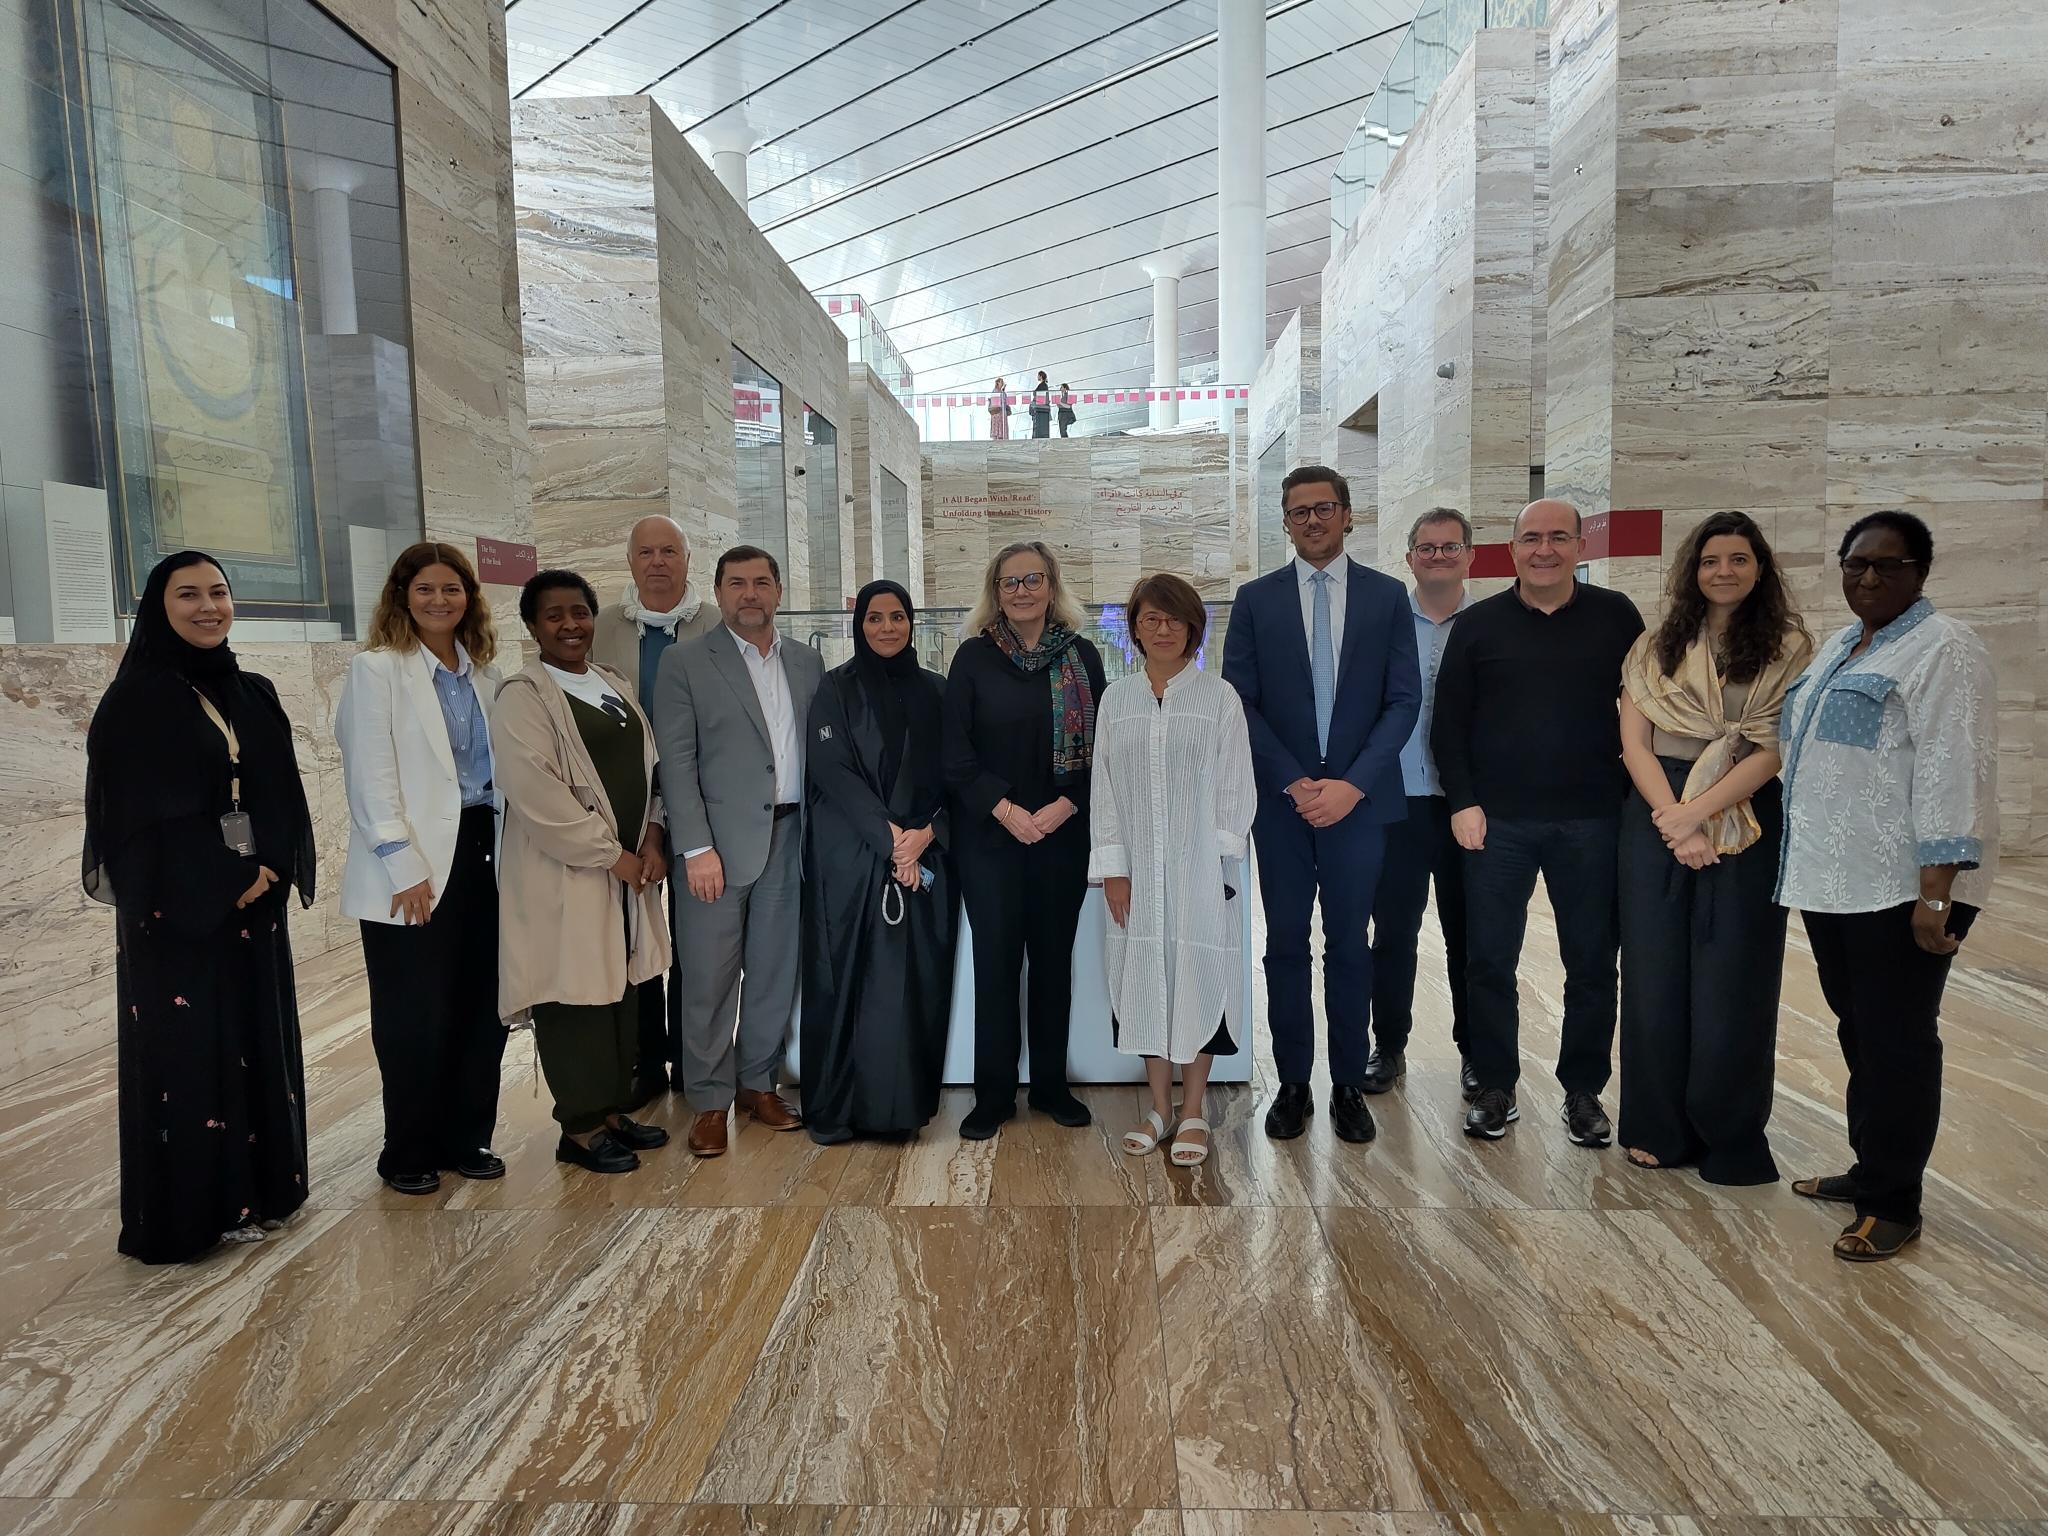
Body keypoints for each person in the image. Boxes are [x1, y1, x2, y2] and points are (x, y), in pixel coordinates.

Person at [82, 550, 316, 1262]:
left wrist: (269, 865)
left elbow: (282, 791)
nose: (208, 607)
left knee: (257, 1036)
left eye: (219, 592)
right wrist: (223, 876)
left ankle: (264, 1192)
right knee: (190, 1052)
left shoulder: (254, 691)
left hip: (256, 903)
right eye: (188, 595)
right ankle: (193, 1214)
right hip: (176, 912)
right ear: (159, 607)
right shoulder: (135, 702)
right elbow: (132, 818)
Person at [1778, 511, 1997, 1262]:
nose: (1869, 577)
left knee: (1898, 1040)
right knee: (1859, 1030)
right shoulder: (1844, 644)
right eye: (1857, 564)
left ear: (1920, 573)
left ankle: (1894, 1202)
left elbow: (1954, 768)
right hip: (1836, 879)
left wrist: (1937, 892)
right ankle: (1871, 1167)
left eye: (1888, 565)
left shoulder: (1946, 649)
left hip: (1903, 887)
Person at [1431, 499, 1644, 1145]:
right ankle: (1495, 1085)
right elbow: (1448, 724)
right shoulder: (1477, 625)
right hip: (1497, 825)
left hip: (1594, 820)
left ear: (1580, 545)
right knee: (1489, 962)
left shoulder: (1618, 616)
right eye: (1530, 538)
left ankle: (1583, 1091)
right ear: (1512, 549)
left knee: (1591, 964)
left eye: (1557, 537)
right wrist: (1463, 803)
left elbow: (1646, 710)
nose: (1543, 549)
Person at [1221, 466, 1420, 1146]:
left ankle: (1347, 1084)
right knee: (1284, 944)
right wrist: (1293, 781)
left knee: (1349, 946)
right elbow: (1239, 700)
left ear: (1347, 514)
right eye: (1300, 511)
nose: (1312, 520)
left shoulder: (1387, 597)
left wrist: (1352, 784)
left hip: (1359, 805)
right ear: (1285, 521)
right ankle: (1294, 1084)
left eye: (1324, 508)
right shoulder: (1256, 600)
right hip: (1283, 806)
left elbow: (1403, 700)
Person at [1617, 512, 1812, 1184]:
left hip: (1744, 810)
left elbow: (1773, 748)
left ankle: (1730, 1136)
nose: (1723, 571)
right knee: (1654, 974)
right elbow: (1634, 743)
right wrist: (1673, 818)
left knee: (1736, 976)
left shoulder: (1789, 648)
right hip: (1657, 808)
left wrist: (1698, 813)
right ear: (1692, 571)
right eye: (1710, 561)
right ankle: (1658, 1127)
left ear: (1760, 569)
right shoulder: (1655, 645)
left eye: (1737, 559)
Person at [336, 542, 508, 1196]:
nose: (440, 600)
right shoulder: (377, 670)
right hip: (412, 864)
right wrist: (400, 862)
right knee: (415, 1010)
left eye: (452, 589)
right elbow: (370, 774)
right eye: (426, 589)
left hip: (485, 850)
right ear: (403, 597)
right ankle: (407, 1148)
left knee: (480, 1004)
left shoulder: (486, 674)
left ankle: (468, 1137)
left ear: (469, 598)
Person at [494, 570, 673, 1174]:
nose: (570, 625)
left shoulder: (612, 682)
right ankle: (579, 1126)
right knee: (572, 997)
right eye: (554, 615)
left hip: (627, 870)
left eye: (580, 612)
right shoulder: (524, 696)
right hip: (567, 875)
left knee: (619, 989)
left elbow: (649, 770)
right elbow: (537, 795)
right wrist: (615, 857)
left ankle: (612, 1110)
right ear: (532, 626)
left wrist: (652, 836)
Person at [653, 545, 825, 1157]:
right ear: (719, 592)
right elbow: (676, 763)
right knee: (709, 977)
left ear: (778, 590)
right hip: (716, 850)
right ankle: (708, 1100)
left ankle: (757, 1084)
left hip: (791, 837)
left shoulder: (807, 661)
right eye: (736, 584)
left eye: (760, 582)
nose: (749, 594)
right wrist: (696, 847)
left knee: (775, 972)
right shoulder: (685, 662)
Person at [944, 539, 1107, 1141]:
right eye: (1010, 582)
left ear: (1051, 585)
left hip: (1062, 836)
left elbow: (1104, 747)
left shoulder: (1082, 655)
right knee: (995, 965)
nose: (1022, 591)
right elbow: (954, 753)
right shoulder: (973, 658)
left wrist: (1065, 806)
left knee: (1052, 965)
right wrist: (1007, 810)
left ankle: (1050, 1088)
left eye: (1033, 579)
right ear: (996, 591)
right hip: (991, 839)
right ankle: (992, 1095)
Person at [1092, 574, 1256, 1167]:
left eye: (1174, 619)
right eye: (1150, 619)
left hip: (1201, 873)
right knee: (1144, 981)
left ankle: (1193, 1110)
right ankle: (1158, 1107)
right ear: (1135, 629)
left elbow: (1236, 784)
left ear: (1193, 627)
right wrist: (1114, 866)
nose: (1163, 629)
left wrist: (1217, 862)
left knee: (1198, 977)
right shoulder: (1118, 700)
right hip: (1136, 872)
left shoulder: (1219, 698)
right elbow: (1104, 788)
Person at [799, 580, 956, 1144]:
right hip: (851, 859)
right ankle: (837, 1109)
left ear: (911, 623)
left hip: (924, 860)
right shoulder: (834, 689)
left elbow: (958, 773)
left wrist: (925, 835)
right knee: (844, 979)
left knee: (914, 986)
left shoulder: (938, 691)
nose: (887, 628)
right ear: (859, 625)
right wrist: (891, 840)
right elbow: (832, 770)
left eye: (897, 617)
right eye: (874, 618)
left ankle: (900, 1110)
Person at [590, 513, 718, 1104]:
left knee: (696, 940)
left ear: (688, 559)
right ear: (630, 562)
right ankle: (643, 1060)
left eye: (670, 550)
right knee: (634, 934)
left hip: (701, 807)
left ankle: (694, 1059)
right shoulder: (601, 629)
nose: (658, 562)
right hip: (624, 809)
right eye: (647, 552)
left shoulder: (716, 625)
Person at [1366, 508, 1476, 1099]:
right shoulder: (1385, 623)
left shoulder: (1487, 625)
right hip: (1398, 801)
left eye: (1450, 546)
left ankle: (1476, 1053)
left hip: (1469, 805)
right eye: (1426, 547)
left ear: (1470, 556)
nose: (1438, 556)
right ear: (1410, 558)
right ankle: (1388, 1045)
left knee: (1472, 935)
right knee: (1393, 933)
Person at [1029, 371, 1053, 439]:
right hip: (1040, 408)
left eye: (1038, 375)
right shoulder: (1043, 385)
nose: (1037, 377)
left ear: (1041, 376)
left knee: (1039, 425)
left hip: (1040, 408)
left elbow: (1038, 395)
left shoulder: (1043, 385)